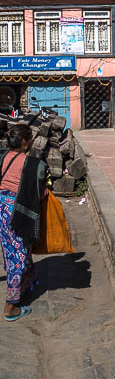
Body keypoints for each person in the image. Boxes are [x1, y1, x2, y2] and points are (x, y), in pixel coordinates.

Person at [0, 125, 45, 321]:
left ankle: (26, 284)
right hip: (17, 214)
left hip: (2, 209)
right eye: (31, 138)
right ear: (25, 141)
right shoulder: (34, 164)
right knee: (17, 256)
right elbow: (37, 193)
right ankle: (10, 308)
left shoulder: (3, 156)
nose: (33, 141)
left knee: (13, 249)